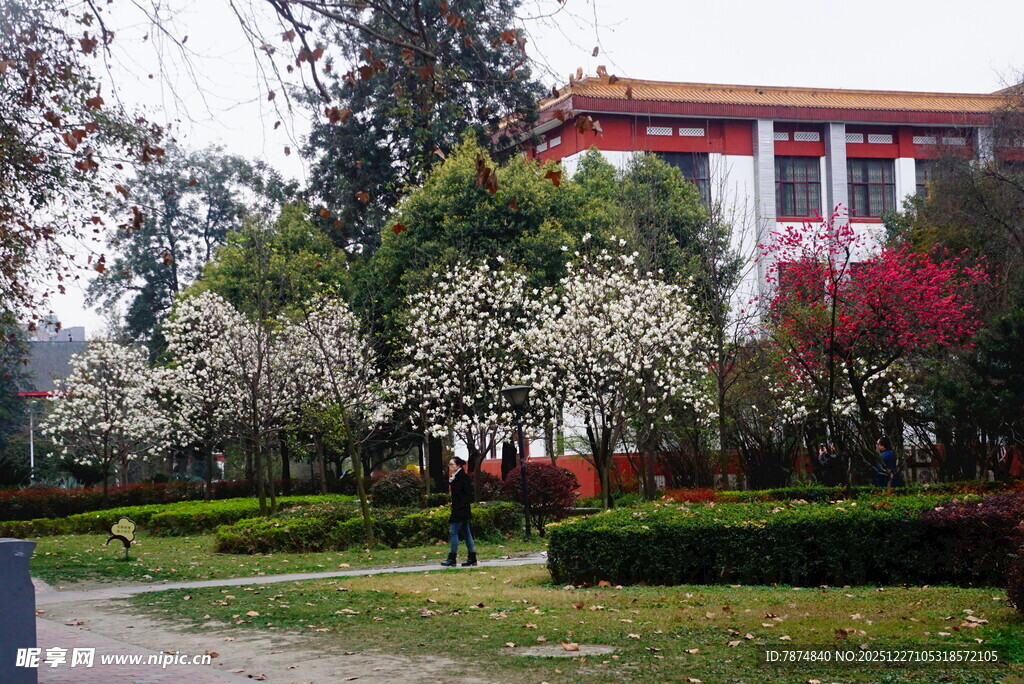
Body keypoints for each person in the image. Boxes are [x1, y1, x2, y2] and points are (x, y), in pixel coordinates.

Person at [441, 457, 477, 567]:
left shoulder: (462, 477)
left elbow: (468, 495)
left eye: (452, 464)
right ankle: (472, 557)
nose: (450, 467)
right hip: (461, 509)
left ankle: (452, 557)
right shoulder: (455, 477)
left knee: (453, 532)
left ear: (458, 466)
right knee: (466, 533)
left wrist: (459, 506)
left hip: (460, 510)